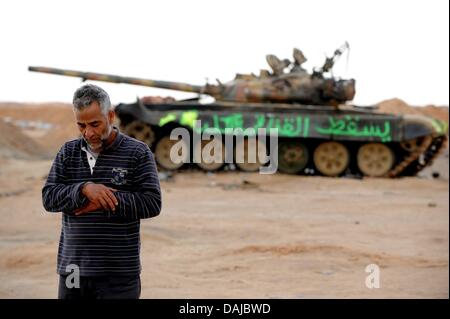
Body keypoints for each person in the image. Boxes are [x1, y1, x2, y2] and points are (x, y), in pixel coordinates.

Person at [42, 84, 162, 299]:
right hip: (73, 270)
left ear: (111, 116)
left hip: (119, 274)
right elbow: (49, 197)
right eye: (81, 125)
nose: (88, 133)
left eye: (95, 124)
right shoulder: (68, 152)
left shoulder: (137, 152)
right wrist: (85, 189)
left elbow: (152, 203)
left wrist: (106, 199)